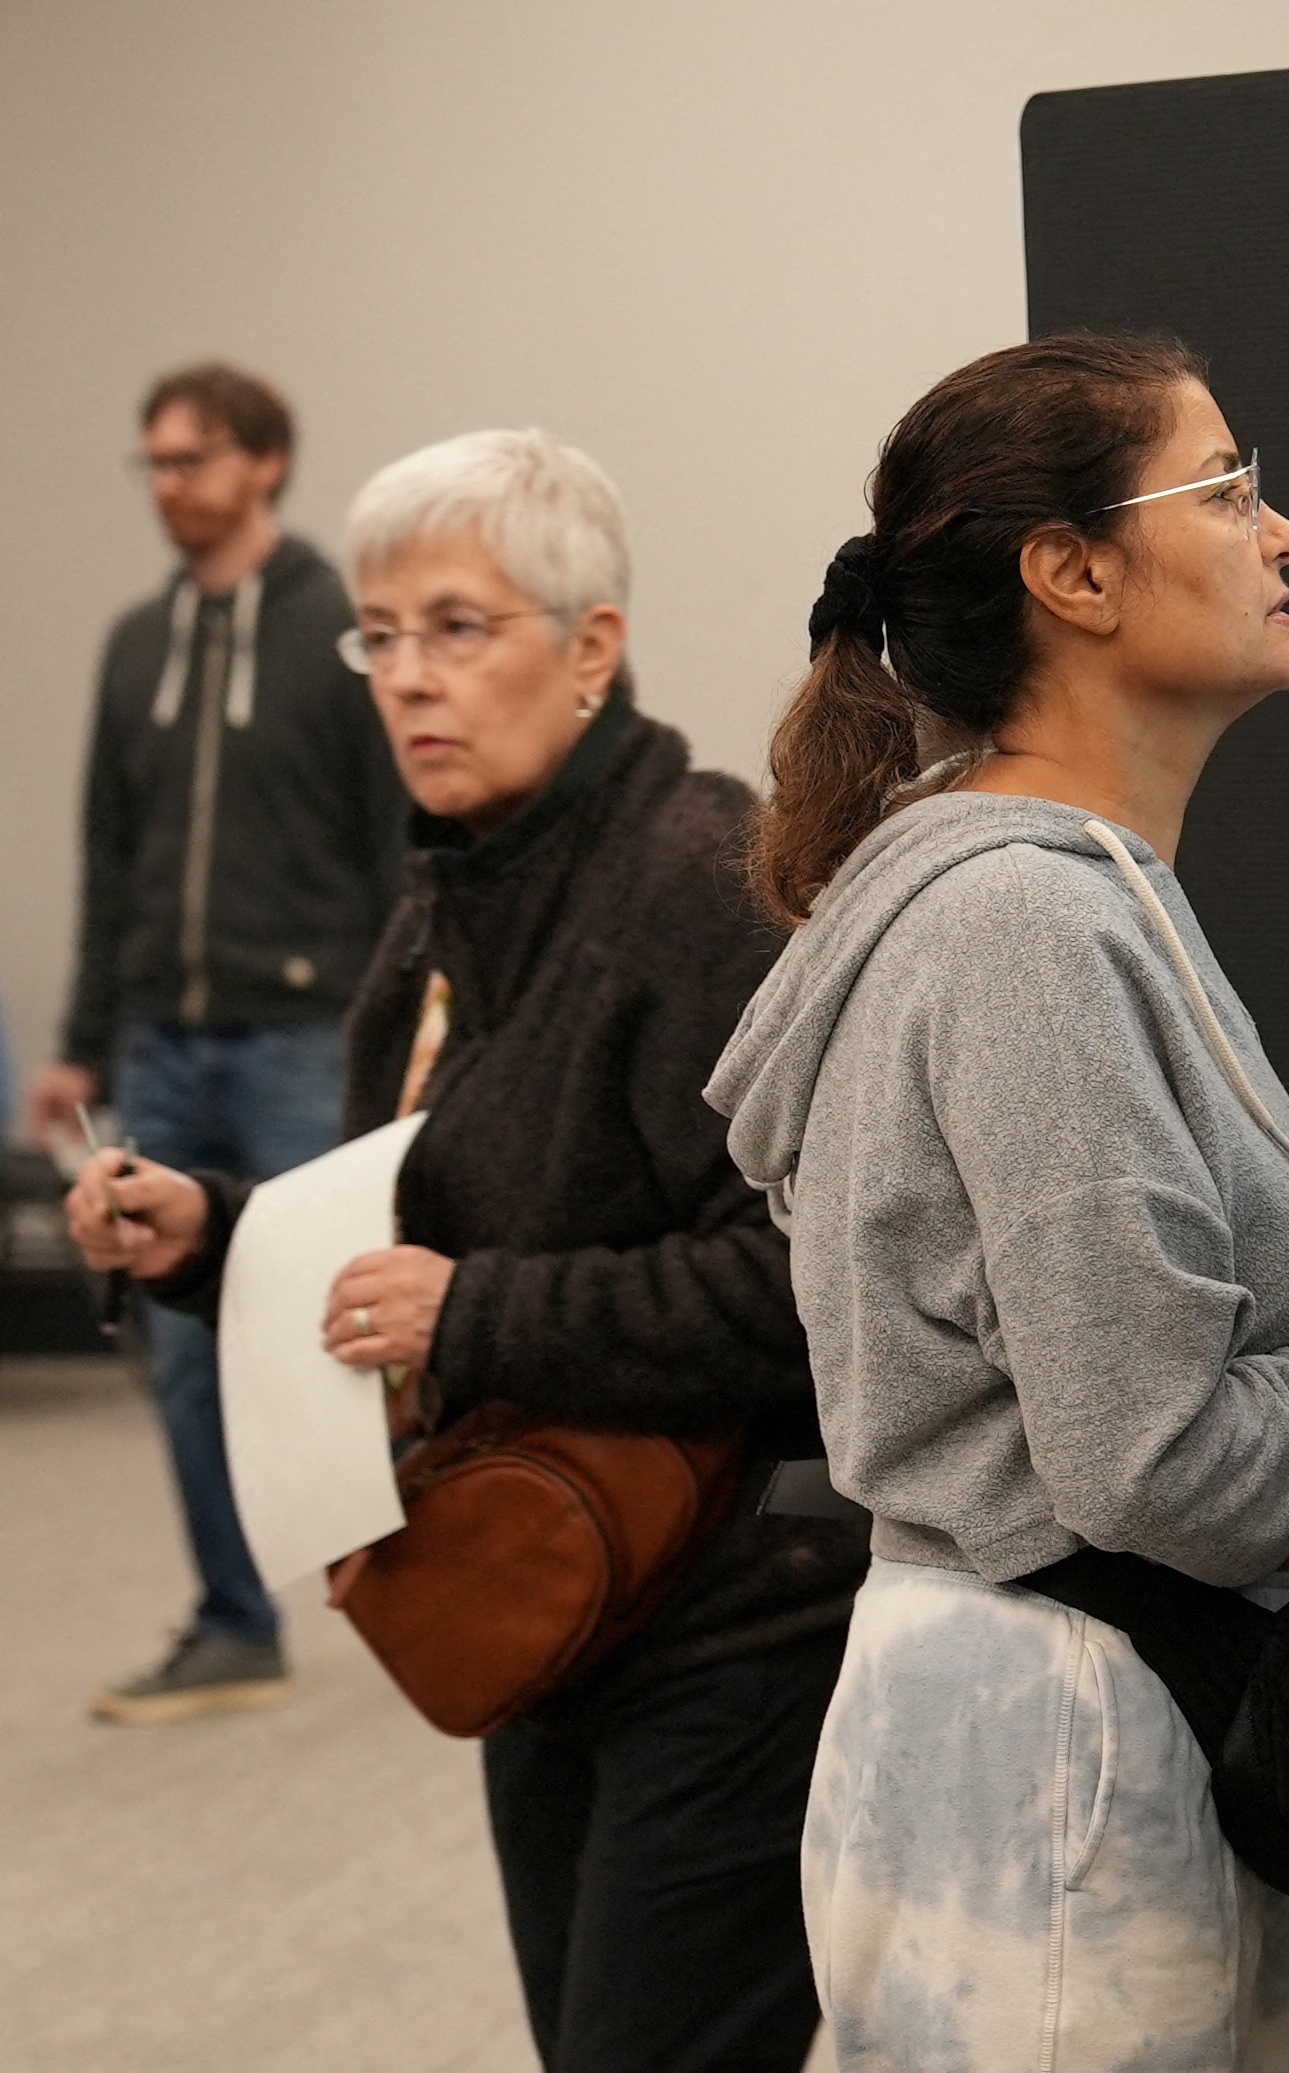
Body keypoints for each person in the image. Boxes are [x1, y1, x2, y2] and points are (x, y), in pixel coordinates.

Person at [66, 429, 866, 2073]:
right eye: (381, 633)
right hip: (549, 1596)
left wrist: (480, 1310)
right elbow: (418, 1224)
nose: (407, 679)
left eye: (460, 626)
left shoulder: (693, 883)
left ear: (591, 648)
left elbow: (811, 1286)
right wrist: (211, 1238)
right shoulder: (459, 887)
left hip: (734, 1625)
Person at [706, 334, 1289, 2071]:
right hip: (1056, 1758)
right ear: (1075, 572)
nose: (1283, 537)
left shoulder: (1028, 894)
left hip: (1045, 1723)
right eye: (1231, 488)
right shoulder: (1027, 930)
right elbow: (1154, 1461)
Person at [23, 362, 409, 1724]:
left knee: (333, 1319)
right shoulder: (137, 642)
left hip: (309, 1036)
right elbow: (109, 853)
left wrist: (402, 1020)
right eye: (154, 464)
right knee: (173, 1336)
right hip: (163, 1046)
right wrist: (82, 1040)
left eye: (188, 460)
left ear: (263, 463)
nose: (167, 486)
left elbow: (392, 840)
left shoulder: (339, 631)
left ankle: (418, 1585)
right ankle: (233, 1619)